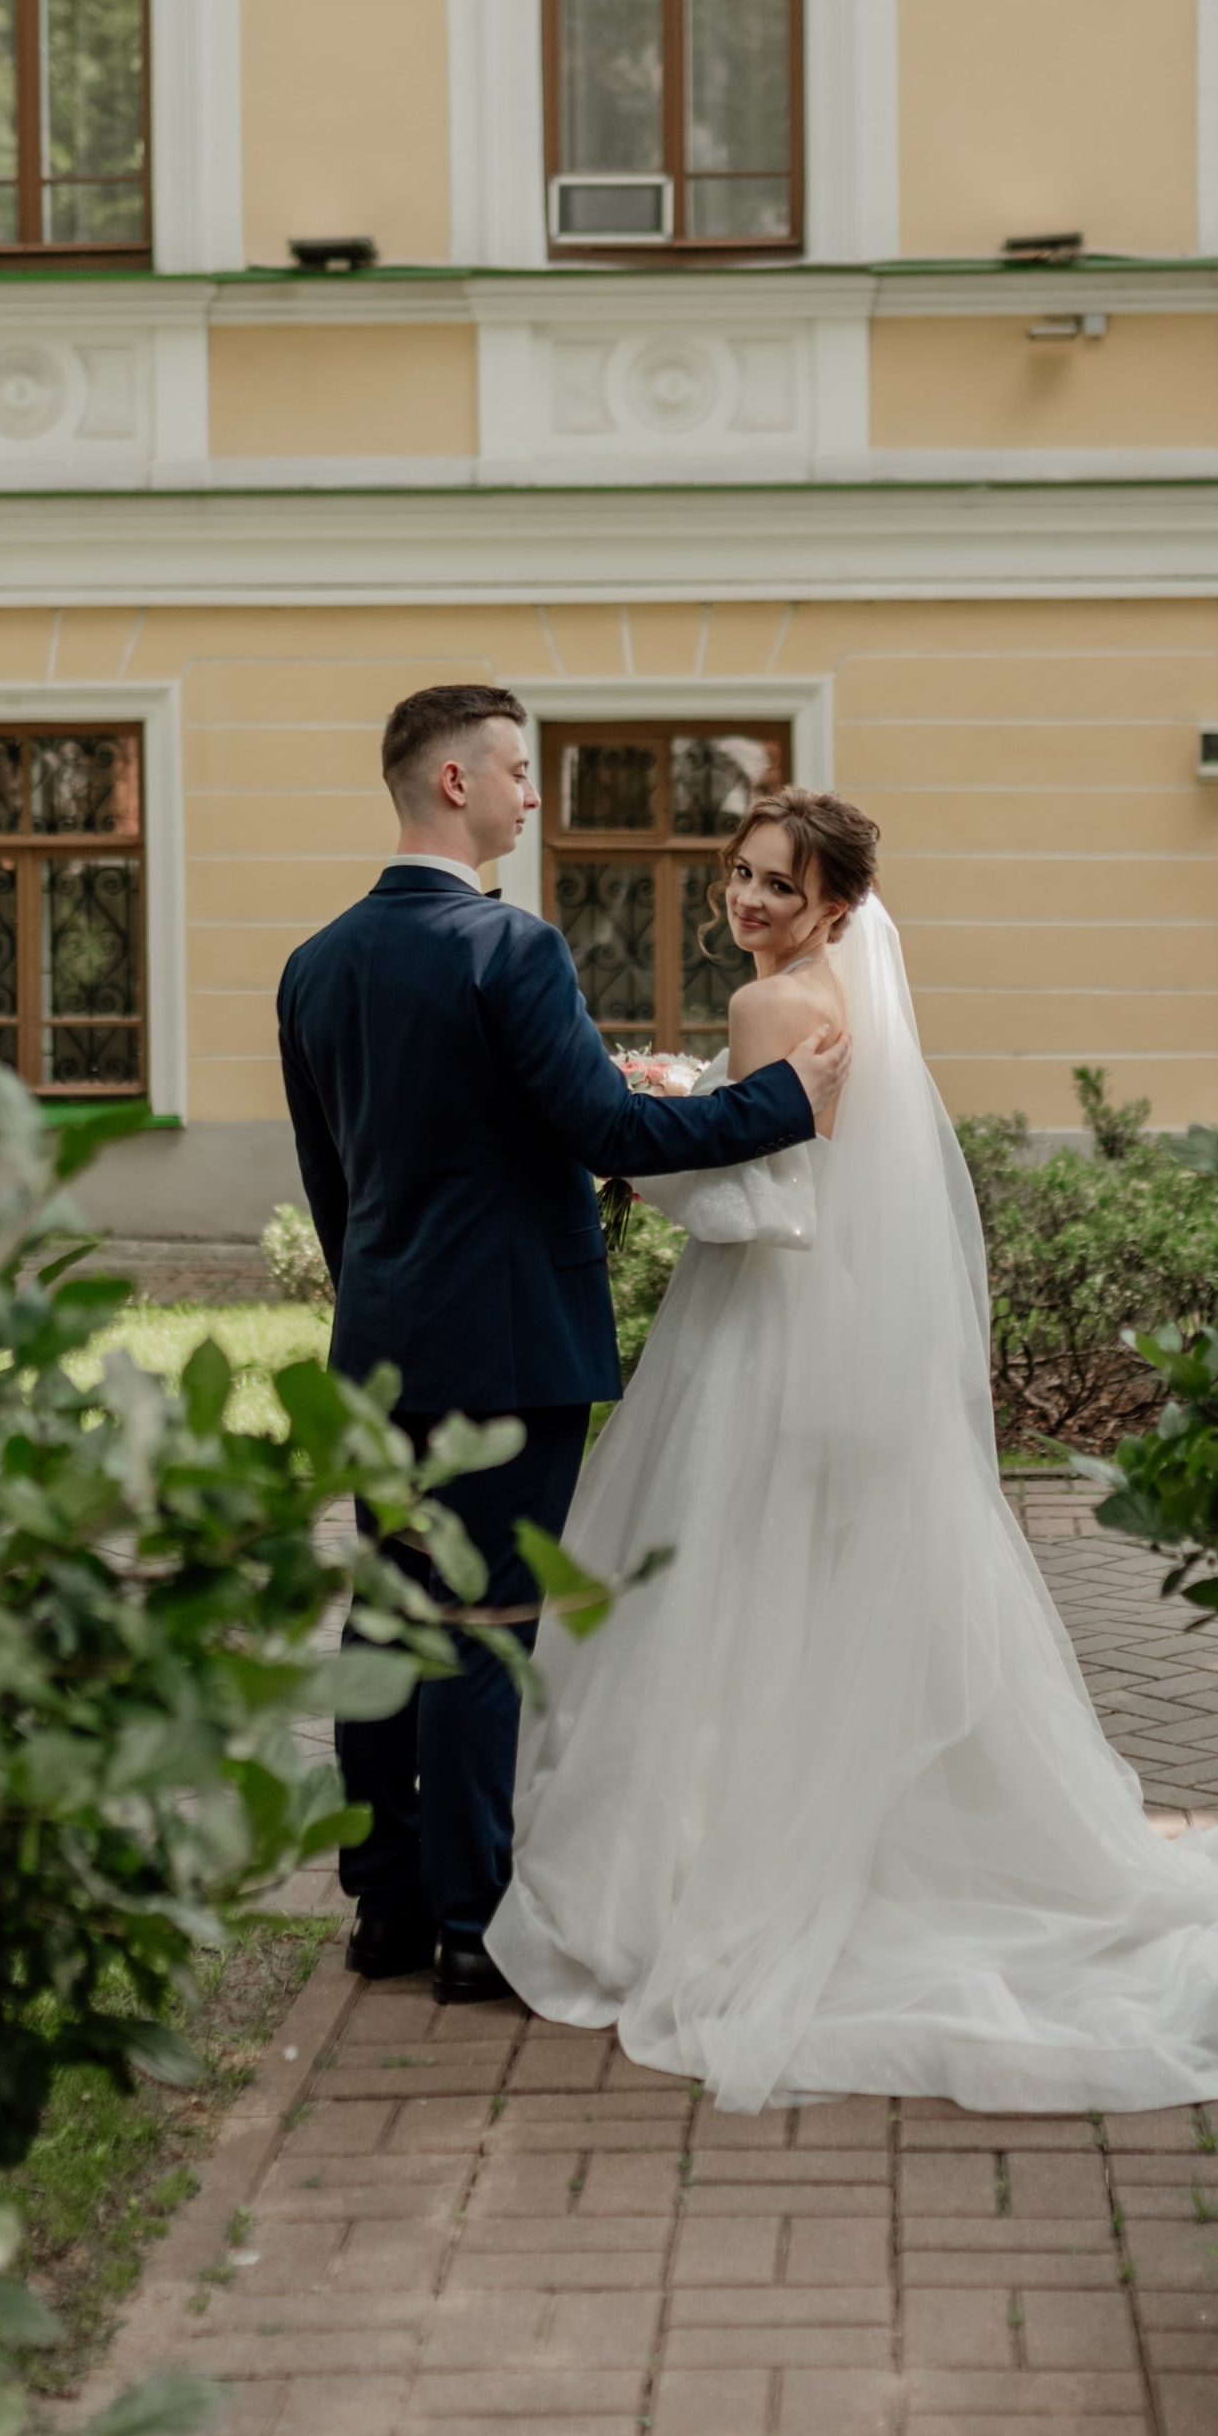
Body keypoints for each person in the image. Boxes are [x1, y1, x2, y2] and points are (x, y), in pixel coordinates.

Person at [487, 789, 1218, 2110]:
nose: (746, 903)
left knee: (725, 1585)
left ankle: (721, 1855)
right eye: (738, 876)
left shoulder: (765, 1011)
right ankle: (836, 1830)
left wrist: (648, 1156)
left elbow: (755, 1203)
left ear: (837, 908)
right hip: (842, 1331)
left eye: (777, 888)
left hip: (755, 1332)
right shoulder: (859, 1011)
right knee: (821, 1583)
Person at [276, 684, 850, 2005]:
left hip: (381, 1341)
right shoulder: (509, 951)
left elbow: (335, 1189)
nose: (537, 796)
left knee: (392, 1610)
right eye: (522, 773)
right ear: (457, 786)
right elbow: (616, 1135)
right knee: (485, 1627)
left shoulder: (315, 965)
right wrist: (781, 1102)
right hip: (511, 1347)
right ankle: (476, 1926)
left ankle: (386, 1908)